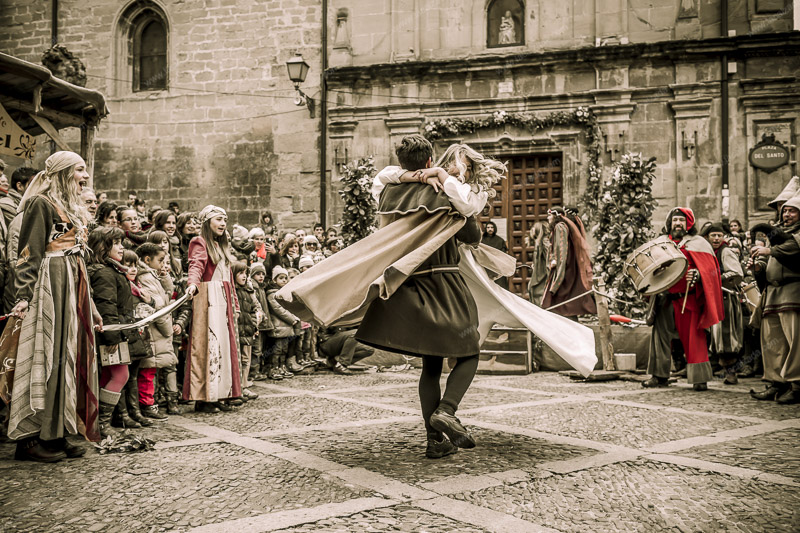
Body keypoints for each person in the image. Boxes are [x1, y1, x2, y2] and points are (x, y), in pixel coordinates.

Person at [357, 136, 496, 458]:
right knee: (470, 352)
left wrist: (413, 175)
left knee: (431, 365)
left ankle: (435, 441)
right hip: (444, 282)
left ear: (402, 161)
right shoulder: (447, 194)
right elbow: (472, 237)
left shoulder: (388, 191)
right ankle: (447, 410)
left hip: (407, 285)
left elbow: (382, 177)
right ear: (431, 158)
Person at [8, 151, 101, 462]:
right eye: (79, 169)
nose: (85, 175)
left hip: (72, 283)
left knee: (66, 357)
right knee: (45, 357)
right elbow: (29, 253)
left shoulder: (70, 207)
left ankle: (56, 431)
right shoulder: (40, 204)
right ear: (62, 173)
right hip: (50, 285)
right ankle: (29, 438)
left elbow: (77, 254)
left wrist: (91, 305)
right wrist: (24, 295)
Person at [644, 208, 724, 391]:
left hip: (688, 299)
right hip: (664, 299)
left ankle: (699, 378)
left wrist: (697, 274)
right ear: (669, 223)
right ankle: (659, 376)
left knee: (694, 338)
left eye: (682, 220)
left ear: (689, 224)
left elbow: (710, 271)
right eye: (675, 220)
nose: (678, 223)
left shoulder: (699, 243)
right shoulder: (661, 243)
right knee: (660, 338)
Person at [184, 205, 242, 413]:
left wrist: (234, 304)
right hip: (209, 299)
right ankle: (204, 397)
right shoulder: (199, 242)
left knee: (223, 348)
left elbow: (230, 280)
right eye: (218, 219)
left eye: (225, 219)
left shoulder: (222, 247)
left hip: (223, 299)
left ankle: (220, 393)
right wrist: (192, 283)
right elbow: (196, 265)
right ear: (208, 222)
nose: (223, 223)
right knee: (208, 346)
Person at [749, 193, 800, 404]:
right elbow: (770, 263)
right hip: (772, 293)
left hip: (794, 291)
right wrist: (758, 268)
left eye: (792, 210)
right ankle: (776, 382)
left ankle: (797, 384)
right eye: (784, 210)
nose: (786, 214)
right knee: (772, 341)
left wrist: (768, 250)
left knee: (795, 340)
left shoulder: (795, 235)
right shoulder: (778, 233)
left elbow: (794, 249)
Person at [134, 242, 181, 417]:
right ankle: (147, 404)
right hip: (155, 332)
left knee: (153, 369)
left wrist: (164, 276)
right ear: (148, 259)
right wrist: (168, 329)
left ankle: (150, 402)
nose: (163, 264)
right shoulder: (145, 278)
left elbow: (168, 294)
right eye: (160, 260)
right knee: (148, 370)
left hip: (159, 333)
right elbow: (159, 308)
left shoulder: (153, 275)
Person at [703, 223, 744, 385]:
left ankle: (731, 372)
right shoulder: (708, 253)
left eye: (719, 235)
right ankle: (717, 367)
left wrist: (714, 278)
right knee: (715, 337)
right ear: (707, 237)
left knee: (727, 336)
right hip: (713, 299)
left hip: (726, 298)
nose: (716, 238)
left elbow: (736, 273)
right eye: (713, 235)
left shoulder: (726, 251)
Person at [541, 207, 597, 317]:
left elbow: (561, 246)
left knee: (561, 290)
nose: (548, 218)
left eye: (550, 215)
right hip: (570, 262)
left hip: (564, 264)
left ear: (556, 215)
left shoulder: (559, 227)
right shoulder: (565, 225)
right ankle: (568, 314)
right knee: (570, 290)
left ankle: (562, 316)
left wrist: (556, 261)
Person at [266, 266, 304, 377]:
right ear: (274, 280)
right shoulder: (272, 294)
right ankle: (274, 368)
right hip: (279, 326)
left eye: (285, 278)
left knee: (284, 349)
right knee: (277, 349)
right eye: (281, 278)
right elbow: (279, 310)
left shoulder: (283, 293)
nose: (284, 280)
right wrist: (293, 319)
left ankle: (282, 366)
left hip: (286, 327)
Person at [232, 261, 260, 401]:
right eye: (240, 273)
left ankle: (244, 385)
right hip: (237, 330)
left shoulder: (249, 291)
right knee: (236, 360)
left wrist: (255, 324)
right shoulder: (232, 291)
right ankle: (236, 388)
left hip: (248, 329)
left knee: (246, 360)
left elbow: (255, 309)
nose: (244, 276)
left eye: (245, 273)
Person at [526, 221, 550, 304]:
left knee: (537, 291)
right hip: (538, 271)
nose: (531, 230)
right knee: (533, 289)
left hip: (542, 273)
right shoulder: (538, 242)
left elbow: (548, 257)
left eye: (533, 228)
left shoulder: (544, 241)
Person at [481, 221, 509, 289]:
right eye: (488, 227)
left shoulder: (500, 240)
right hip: (485, 266)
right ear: (486, 229)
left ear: (494, 228)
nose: (490, 229)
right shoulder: (481, 240)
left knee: (500, 286)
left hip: (497, 267)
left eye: (491, 227)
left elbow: (503, 254)